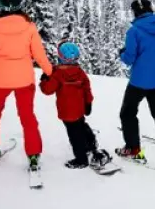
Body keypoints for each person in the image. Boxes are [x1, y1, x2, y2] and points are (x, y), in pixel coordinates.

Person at [0, 0, 53, 170]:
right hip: (24, 80)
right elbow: (39, 55)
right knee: (27, 117)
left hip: (0, 80)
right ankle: (33, 154)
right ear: (20, 5)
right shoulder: (29, 26)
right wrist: (49, 71)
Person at [116, 0, 155, 165]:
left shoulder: (134, 31)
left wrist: (121, 52)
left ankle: (133, 148)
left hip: (139, 81)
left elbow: (129, 59)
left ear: (135, 12)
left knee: (127, 113)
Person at [39, 41, 112, 169]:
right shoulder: (79, 72)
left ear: (61, 58)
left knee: (74, 136)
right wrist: (88, 103)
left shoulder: (58, 75)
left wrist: (44, 80)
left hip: (67, 113)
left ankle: (81, 159)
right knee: (82, 126)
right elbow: (87, 88)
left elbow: (47, 90)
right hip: (79, 110)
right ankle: (90, 144)